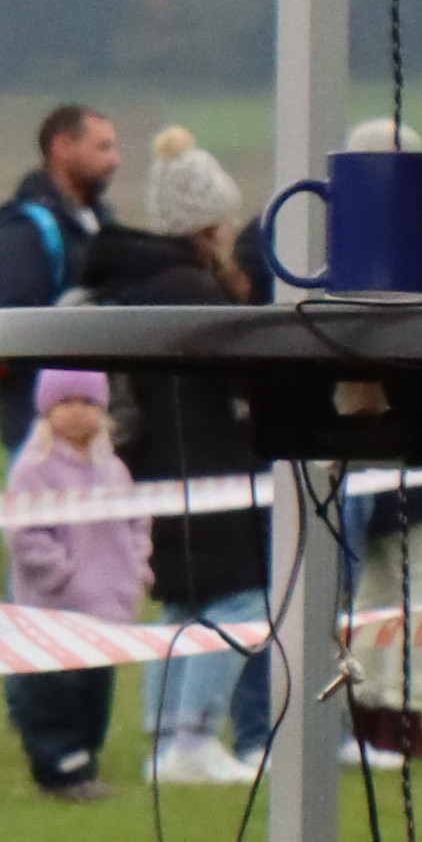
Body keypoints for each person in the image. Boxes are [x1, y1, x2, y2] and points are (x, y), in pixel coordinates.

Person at [78, 125, 274, 783]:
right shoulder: (194, 292)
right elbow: (235, 385)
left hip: (153, 471)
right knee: (243, 598)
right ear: (206, 224)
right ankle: (193, 738)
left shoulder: (132, 285)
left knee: (182, 605)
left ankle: (165, 740)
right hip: (208, 468)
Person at [0, 370, 143, 798]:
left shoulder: (113, 469)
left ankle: (84, 761)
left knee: (94, 694)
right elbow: (25, 535)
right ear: (46, 409)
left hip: (107, 608)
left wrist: (136, 569)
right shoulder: (34, 469)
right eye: (66, 402)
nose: (78, 412)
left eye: (88, 402)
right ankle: (60, 770)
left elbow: (138, 522)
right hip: (55, 608)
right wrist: (63, 576)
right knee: (54, 692)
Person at [0, 101, 119, 467]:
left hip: (92, 423)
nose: (115, 160)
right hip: (37, 431)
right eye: (102, 147)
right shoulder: (24, 230)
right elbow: (13, 329)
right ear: (61, 148)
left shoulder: (99, 220)